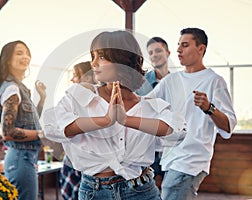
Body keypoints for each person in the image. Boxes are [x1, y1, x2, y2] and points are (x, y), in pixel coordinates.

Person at [43, 30, 186, 200]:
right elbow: (52, 128)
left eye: (102, 57)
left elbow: (178, 133)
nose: (94, 63)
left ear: (122, 60)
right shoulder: (81, 96)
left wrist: (127, 120)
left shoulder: (150, 105)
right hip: (94, 193)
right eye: (93, 56)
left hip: (142, 191)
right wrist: (104, 121)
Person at [147, 28, 237, 200]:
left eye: (185, 45)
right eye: (178, 45)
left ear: (201, 49)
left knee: (171, 189)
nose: (179, 50)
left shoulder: (214, 81)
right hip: (170, 157)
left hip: (192, 161)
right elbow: (144, 104)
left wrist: (209, 108)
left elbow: (228, 126)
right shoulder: (170, 80)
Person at [0, 40, 46, 200]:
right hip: (21, 158)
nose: (25, 57)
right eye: (19, 53)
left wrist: (42, 98)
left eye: (27, 53)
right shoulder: (12, 89)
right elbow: (8, 133)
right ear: (8, 59)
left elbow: (30, 121)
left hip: (24, 158)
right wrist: (43, 134)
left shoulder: (16, 88)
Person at [136, 37, 171, 190]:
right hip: (148, 144)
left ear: (168, 53)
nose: (154, 55)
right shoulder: (140, 83)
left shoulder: (177, 82)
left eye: (158, 50)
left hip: (171, 144)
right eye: (150, 53)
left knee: (170, 188)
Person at [60, 61, 95, 200]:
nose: (72, 79)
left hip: (81, 167)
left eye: (75, 75)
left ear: (86, 78)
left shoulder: (80, 101)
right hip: (74, 163)